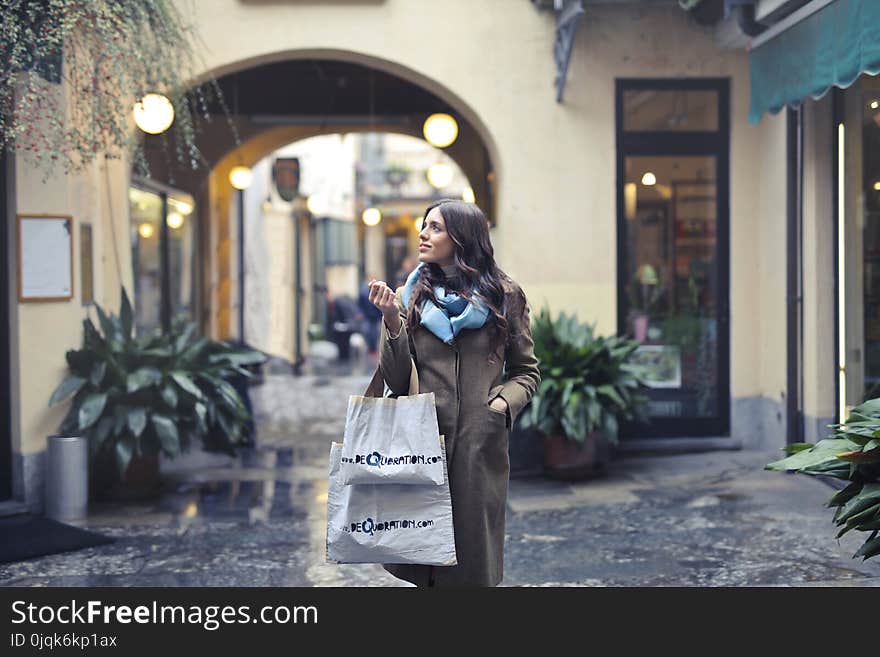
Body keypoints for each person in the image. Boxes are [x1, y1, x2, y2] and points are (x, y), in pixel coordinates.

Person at [368, 199, 541, 587]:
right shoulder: (409, 296)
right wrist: (391, 319)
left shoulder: (505, 296)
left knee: (473, 559)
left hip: (480, 444)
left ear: (462, 237)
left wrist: (498, 407)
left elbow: (526, 372)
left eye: (435, 227)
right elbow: (396, 380)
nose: (423, 234)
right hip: (423, 439)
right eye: (424, 225)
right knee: (424, 556)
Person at [357, 274, 384, 355]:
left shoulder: (378, 291)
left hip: (376, 317)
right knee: (368, 332)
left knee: (376, 333)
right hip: (367, 317)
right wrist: (360, 313)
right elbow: (360, 304)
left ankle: (374, 350)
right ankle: (370, 349)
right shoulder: (363, 292)